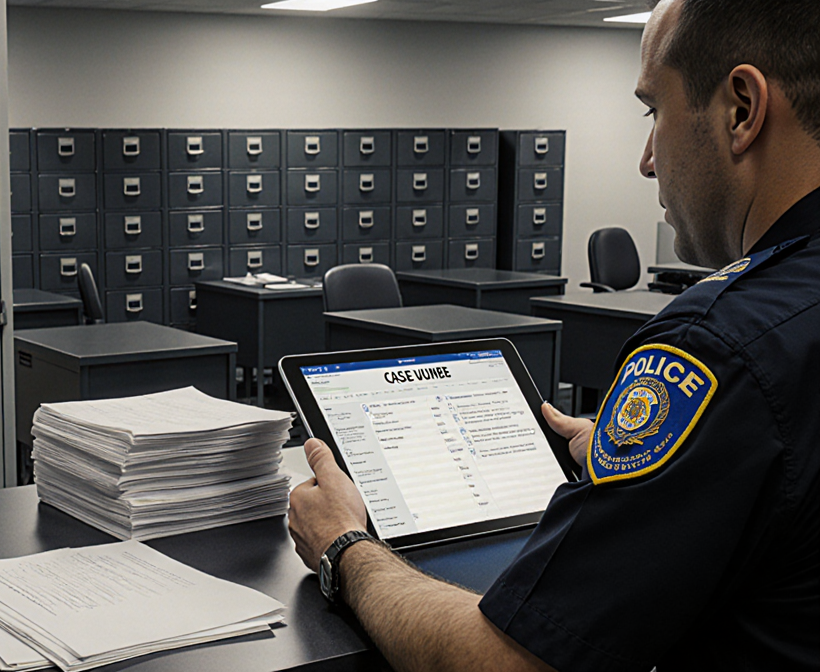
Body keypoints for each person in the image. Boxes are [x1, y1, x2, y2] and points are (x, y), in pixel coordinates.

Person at [287, 0, 820, 669]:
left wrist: (344, 547)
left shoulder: (719, 344)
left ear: (741, 109)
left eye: (654, 111)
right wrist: (672, 468)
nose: (647, 161)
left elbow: (511, 661)